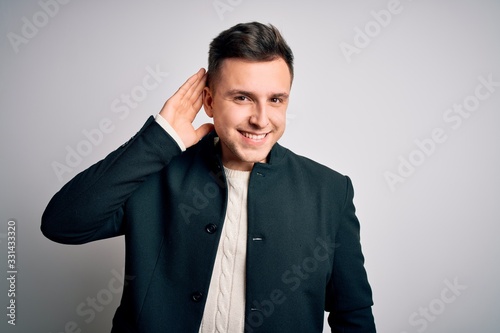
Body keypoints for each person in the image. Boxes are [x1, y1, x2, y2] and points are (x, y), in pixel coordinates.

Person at [41, 22, 376, 332]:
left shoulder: (330, 191)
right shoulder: (156, 172)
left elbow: (353, 313)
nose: (261, 119)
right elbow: (63, 223)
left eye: (275, 99)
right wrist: (159, 139)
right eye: (242, 97)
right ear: (210, 101)